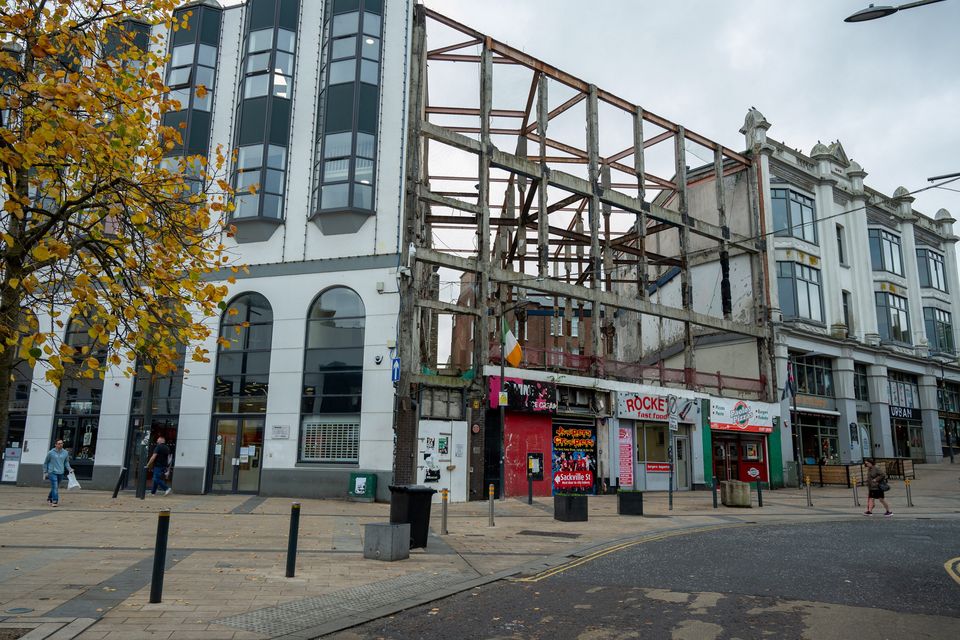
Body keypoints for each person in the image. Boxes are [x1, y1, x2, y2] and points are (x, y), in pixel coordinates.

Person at [43, 439, 72, 507]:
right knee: (55, 486)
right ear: (55, 445)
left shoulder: (65, 453)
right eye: (59, 443)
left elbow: (66, 462)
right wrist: (45, 472)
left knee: (54, 487)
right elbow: (46, 463)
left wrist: (69, 469)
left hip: (61, 472)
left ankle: (49, 498)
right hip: (52, 472)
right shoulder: (51, 453)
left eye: (61, 443)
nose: (60, 445)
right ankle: (55, 501)